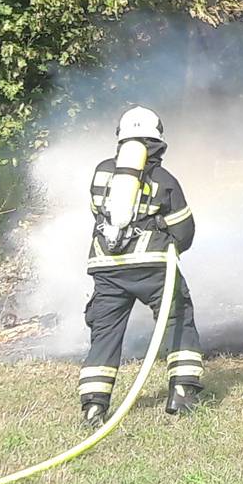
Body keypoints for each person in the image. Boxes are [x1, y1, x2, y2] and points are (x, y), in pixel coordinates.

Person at [79, 105, 207, 423]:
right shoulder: (164, 179)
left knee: (105, 332)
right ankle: (182, 392)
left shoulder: (101, 173)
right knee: (177, 318)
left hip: (106, 267)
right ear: (158, 141)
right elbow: (184, 230)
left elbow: (98, 215)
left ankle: (94, 404)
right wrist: (173, 244)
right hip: (153, 266)